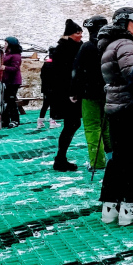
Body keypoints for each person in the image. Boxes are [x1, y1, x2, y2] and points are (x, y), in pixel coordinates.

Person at [98, 8, 133, 225]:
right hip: (130, 107)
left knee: (118, 158)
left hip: (115, 106)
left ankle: (109, 206)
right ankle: (130, 206)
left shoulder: (110, 44)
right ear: (123, 22)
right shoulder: (126, 44)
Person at [71, 15, 110, 169]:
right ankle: (112, 157)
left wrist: (74, 91)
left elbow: (78, 70)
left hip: (90, 94)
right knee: (107, 127)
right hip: (108, 93)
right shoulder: (112, 44)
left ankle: (97, 162)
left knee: (93, 128)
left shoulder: (87, 46)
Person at [50, 20, 84, 171]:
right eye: (77, 32)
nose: (80, 35)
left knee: (72, 124)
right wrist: (72, 91)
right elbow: (64, 74)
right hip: (68, 94)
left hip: (68, 93)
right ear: (70, 34)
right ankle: (60, 158)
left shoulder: (70, 47)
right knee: (72, 124)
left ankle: (60, 158)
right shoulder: (65, 49)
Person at [0, 37, 23, 128]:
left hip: (13, 81)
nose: (5, 45)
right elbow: (4, 65)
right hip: (6, 80)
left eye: (6, 43)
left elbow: (15, 68)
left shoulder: (16, 55)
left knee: (11, 101)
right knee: (4, 100)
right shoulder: (6, 54)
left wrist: (5, 68)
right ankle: (5, 119)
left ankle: (15, 120)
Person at [39, 47, 55, 122]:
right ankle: (52, 120)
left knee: (45, 104)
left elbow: (41, 76)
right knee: (53, 104)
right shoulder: (56, 64)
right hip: (53, 87)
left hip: (45, 87)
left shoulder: (46, 64)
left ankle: (40, 120)